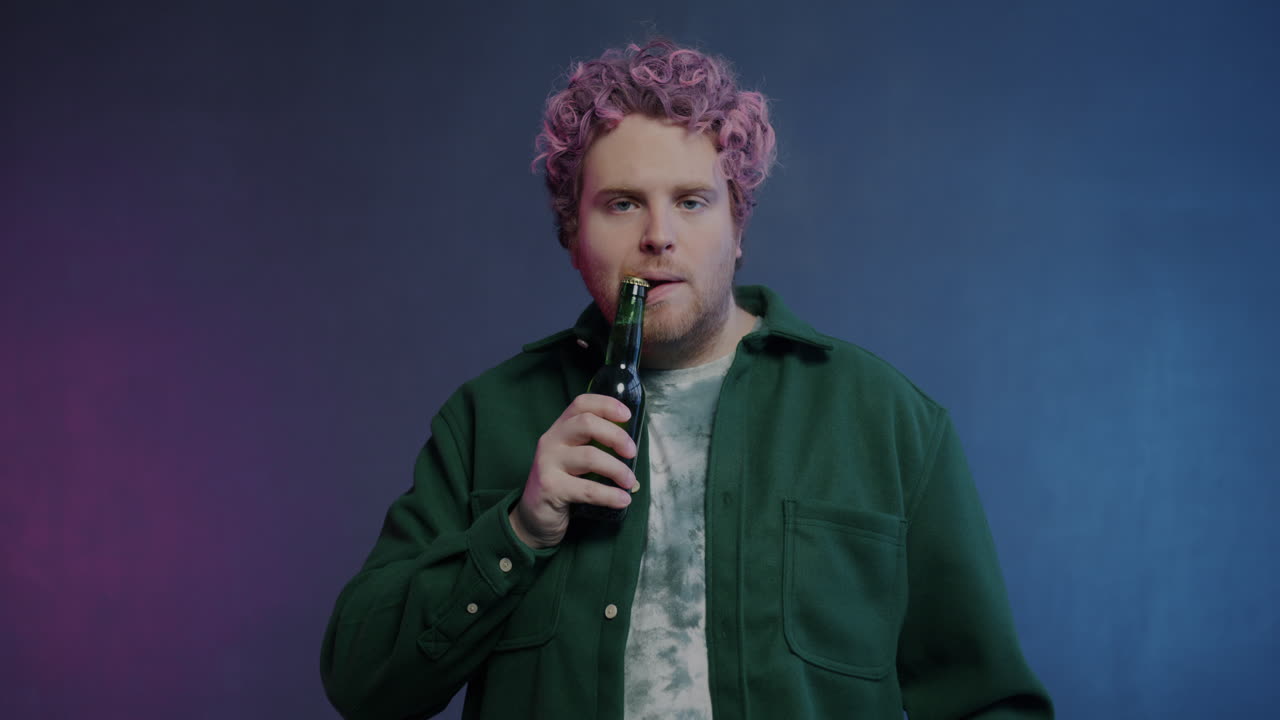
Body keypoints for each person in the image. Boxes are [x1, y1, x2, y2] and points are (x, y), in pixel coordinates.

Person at [320, 38, 1053, 720]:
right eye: (622, 203)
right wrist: (522, 527)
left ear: (739, 227)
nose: (659, 236)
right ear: (572, 233)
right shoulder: (486, 420)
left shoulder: (890, 421)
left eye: (692, 201)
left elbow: (990, 703)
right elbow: (361, 684)